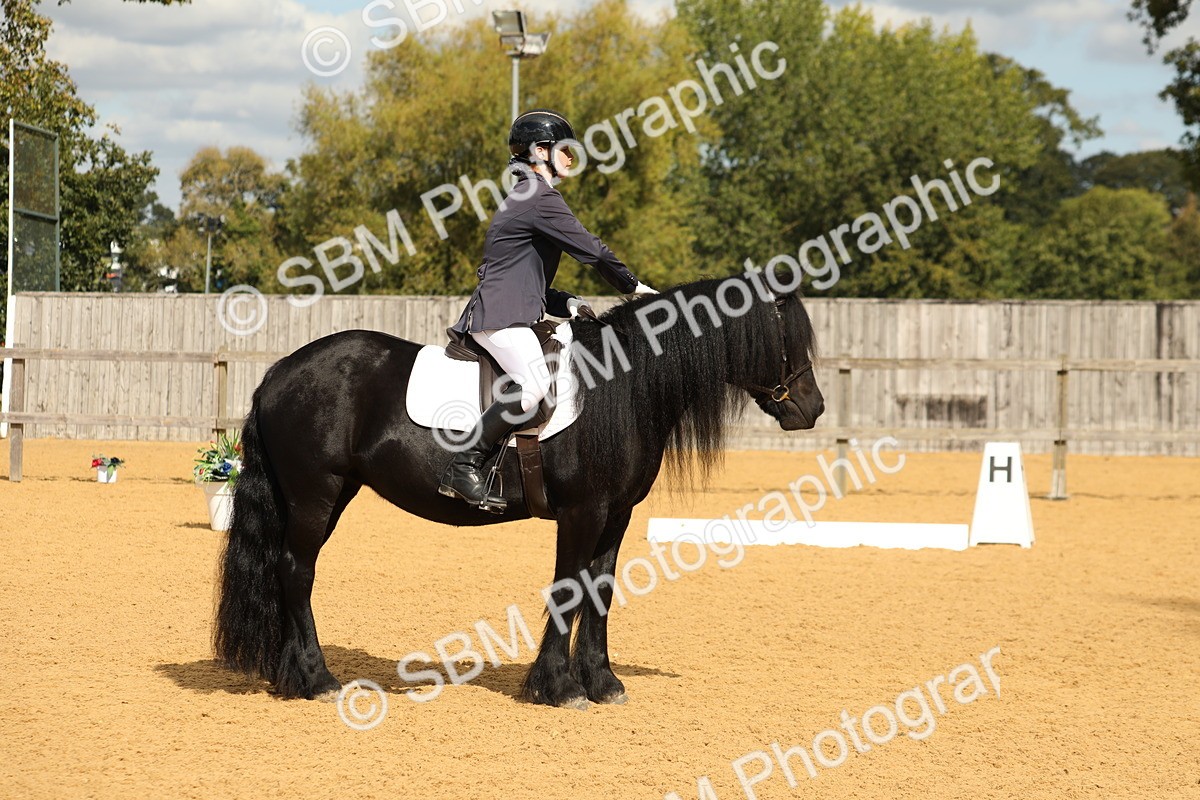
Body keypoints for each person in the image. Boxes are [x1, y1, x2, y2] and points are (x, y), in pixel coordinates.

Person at [440, 108, 657, 510]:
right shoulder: (538, 196)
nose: (572, 158)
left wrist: (566, 301)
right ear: (540, 152)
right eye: (565, 150)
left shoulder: (526, 197)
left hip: (508, 308)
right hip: (500, 316)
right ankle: (464, 464)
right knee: (534, 385)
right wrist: (633, 288)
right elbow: (592, 249)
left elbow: (523, 275)